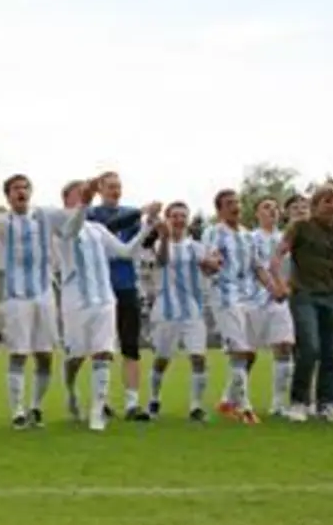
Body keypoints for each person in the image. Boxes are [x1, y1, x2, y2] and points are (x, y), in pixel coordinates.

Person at [56, 178, 160, 430]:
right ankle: (70, 389)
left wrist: (147, 227)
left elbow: (124, 252)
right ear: (68, 200)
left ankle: (96, 411)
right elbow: (72, 229)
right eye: (80, 194)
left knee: (103, 353)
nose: (86, 196)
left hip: (103, 300)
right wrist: (85, 202)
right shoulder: (60, 227)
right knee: (76, 356)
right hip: (76, 302)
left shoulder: (98, 230)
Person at [0, 166, 72, 429]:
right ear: (7, 196)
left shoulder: (44, 216)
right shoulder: (4, 221)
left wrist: (84, 196)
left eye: (25, 187)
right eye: (16, 188)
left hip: (44, 294)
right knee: (18, 353)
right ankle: (17, 410)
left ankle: (36, 406)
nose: (21, 192)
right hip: (16, 296)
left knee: (45, 355)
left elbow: (72, 220)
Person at [271, 186, 333, 422]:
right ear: (315, 205)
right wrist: (280, 284)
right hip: (304, 294)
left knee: (331, 350)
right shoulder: (301, 227)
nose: (332, 206)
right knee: (309, 347)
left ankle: (326, 403)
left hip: (330, 295)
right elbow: (278, 254)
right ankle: (299, 401)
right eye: (327, 201)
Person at [86, 172, 154, 420]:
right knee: (101, 347)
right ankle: (101, 399)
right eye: (111, 187)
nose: (116, 191)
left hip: (127, 286)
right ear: (100, 189)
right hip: (101, 288)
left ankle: (132, 403)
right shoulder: (92, 215)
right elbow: (108, 230)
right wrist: (140, 213)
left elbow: (142, 243)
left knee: (130, 345)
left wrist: (153, 224)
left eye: (119, 187)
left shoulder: (131, 214)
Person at [149, 202, 223, 421]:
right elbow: (161, 260)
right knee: (162, 358)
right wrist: (163, 237)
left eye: (183, 216)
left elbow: (211, 270)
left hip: (193, 308)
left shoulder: (197, 246)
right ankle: (154, 398)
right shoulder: (160, 244)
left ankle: (196, 406)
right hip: (166, 309)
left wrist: (215, 262)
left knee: (198, 356)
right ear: (167, 219)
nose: (179, 220)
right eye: (175, 216)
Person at [204, 189, 260, 424]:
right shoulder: (213, 232)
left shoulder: (248, 235)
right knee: (239, 349)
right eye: (229, 203)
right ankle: (245, 407)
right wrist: (212, 263)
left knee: (250, 353)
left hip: (249, 297)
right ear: (220, 209)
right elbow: (209, 259)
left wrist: (275, 287)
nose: (235, 207)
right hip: (225, 297)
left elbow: (257, 266)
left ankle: (227, 400)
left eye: (237, 202)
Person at [246, 198, 296, 418]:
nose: (272, 211)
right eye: (266, 207)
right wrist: (272, 286)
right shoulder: (250, 238)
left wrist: (285, 288)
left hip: (280, 300)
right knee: (247, 354)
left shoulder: (286, 239)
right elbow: (255, 267)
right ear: (257, 213)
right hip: (253, 300)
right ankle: (236, 397)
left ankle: (278, 402)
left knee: (284, 346)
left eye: (276, 208)